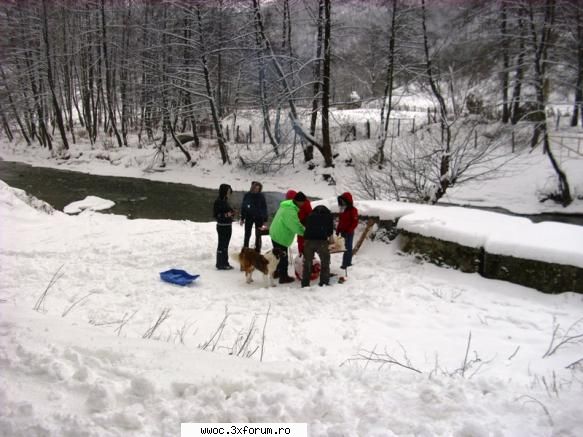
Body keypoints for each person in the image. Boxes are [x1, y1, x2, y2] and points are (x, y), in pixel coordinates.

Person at [269, 192, 307, 284]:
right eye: (303, 202)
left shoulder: (287, 205)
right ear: (299, 201)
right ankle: (283, 277)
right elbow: (295, 226)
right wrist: (306, 232)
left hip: (275, 232)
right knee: (283, 257)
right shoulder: (290, 210)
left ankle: (276, 273)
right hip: (280, 235)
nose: (304, 204)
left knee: (277, 255)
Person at [301, 205, 334, 288]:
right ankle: (324, 282)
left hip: (308, 241)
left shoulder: (310, 216)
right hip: (322, 241)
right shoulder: (328, 216)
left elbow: (305, 225)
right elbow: (330, 231)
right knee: (325, 261)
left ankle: (305, 283)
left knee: (307, 262)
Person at [240, 181, 268, 252]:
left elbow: (264, 208)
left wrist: (265, 220)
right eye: (255, 188)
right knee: (247, 233)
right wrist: (242, 218)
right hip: (249, 217)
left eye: (258, 189)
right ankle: (245, 248)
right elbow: (243, 207)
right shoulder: (247, 195)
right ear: (252, 188)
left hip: (259, 218)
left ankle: (258, 249)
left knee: (258, 234)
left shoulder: (261, 196)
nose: (257, 190)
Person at [213, 183, 235, 270]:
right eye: (228, 191)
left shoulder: (225, 200)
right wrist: (227, 214)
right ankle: (221, 264)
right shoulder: (218, 201)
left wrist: (232, 212)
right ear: (224, 191)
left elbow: (226, 212)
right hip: (222, 226)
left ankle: (224, 262)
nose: (229, 193)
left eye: (230, 191)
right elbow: (217, 215)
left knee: (224, 245)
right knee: (222, 245)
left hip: (227, 225)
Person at [285, 189, 312, 255]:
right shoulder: (292, 203)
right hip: (298, 221)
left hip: (305, 221)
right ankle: (301, 253)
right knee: (300, 239)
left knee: (304, 238)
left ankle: (306, 254)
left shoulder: (305, 202)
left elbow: (310, 213)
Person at [336, 192, 359, 269]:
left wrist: (349, 230)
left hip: (349, 233)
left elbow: (355, 222)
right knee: (344, 248)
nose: (342, 202)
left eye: (343, 200)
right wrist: (338, 230)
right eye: (341, 200)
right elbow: (341, 221)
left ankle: (346, 264)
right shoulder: (343, 209)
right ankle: (347, 263)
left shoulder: (353, 210)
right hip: (343, 232)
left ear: (347, 200)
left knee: (348, 248)